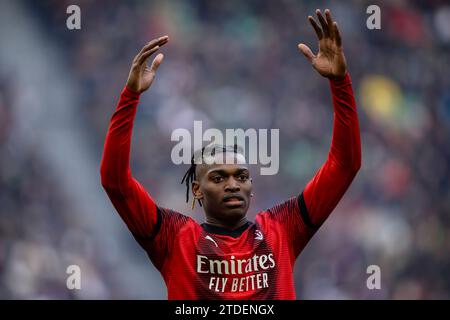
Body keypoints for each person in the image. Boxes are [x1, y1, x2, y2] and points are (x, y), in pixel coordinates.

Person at [100, 9, 361, 299]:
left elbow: (344, 166)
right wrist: (130, 96)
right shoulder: (175, 238)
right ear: (197, 190)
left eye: (241, 176)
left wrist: (340, 83)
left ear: (251, 188)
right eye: (219, 177)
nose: (233, 184)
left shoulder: (281, 229)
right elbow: (115, 182)